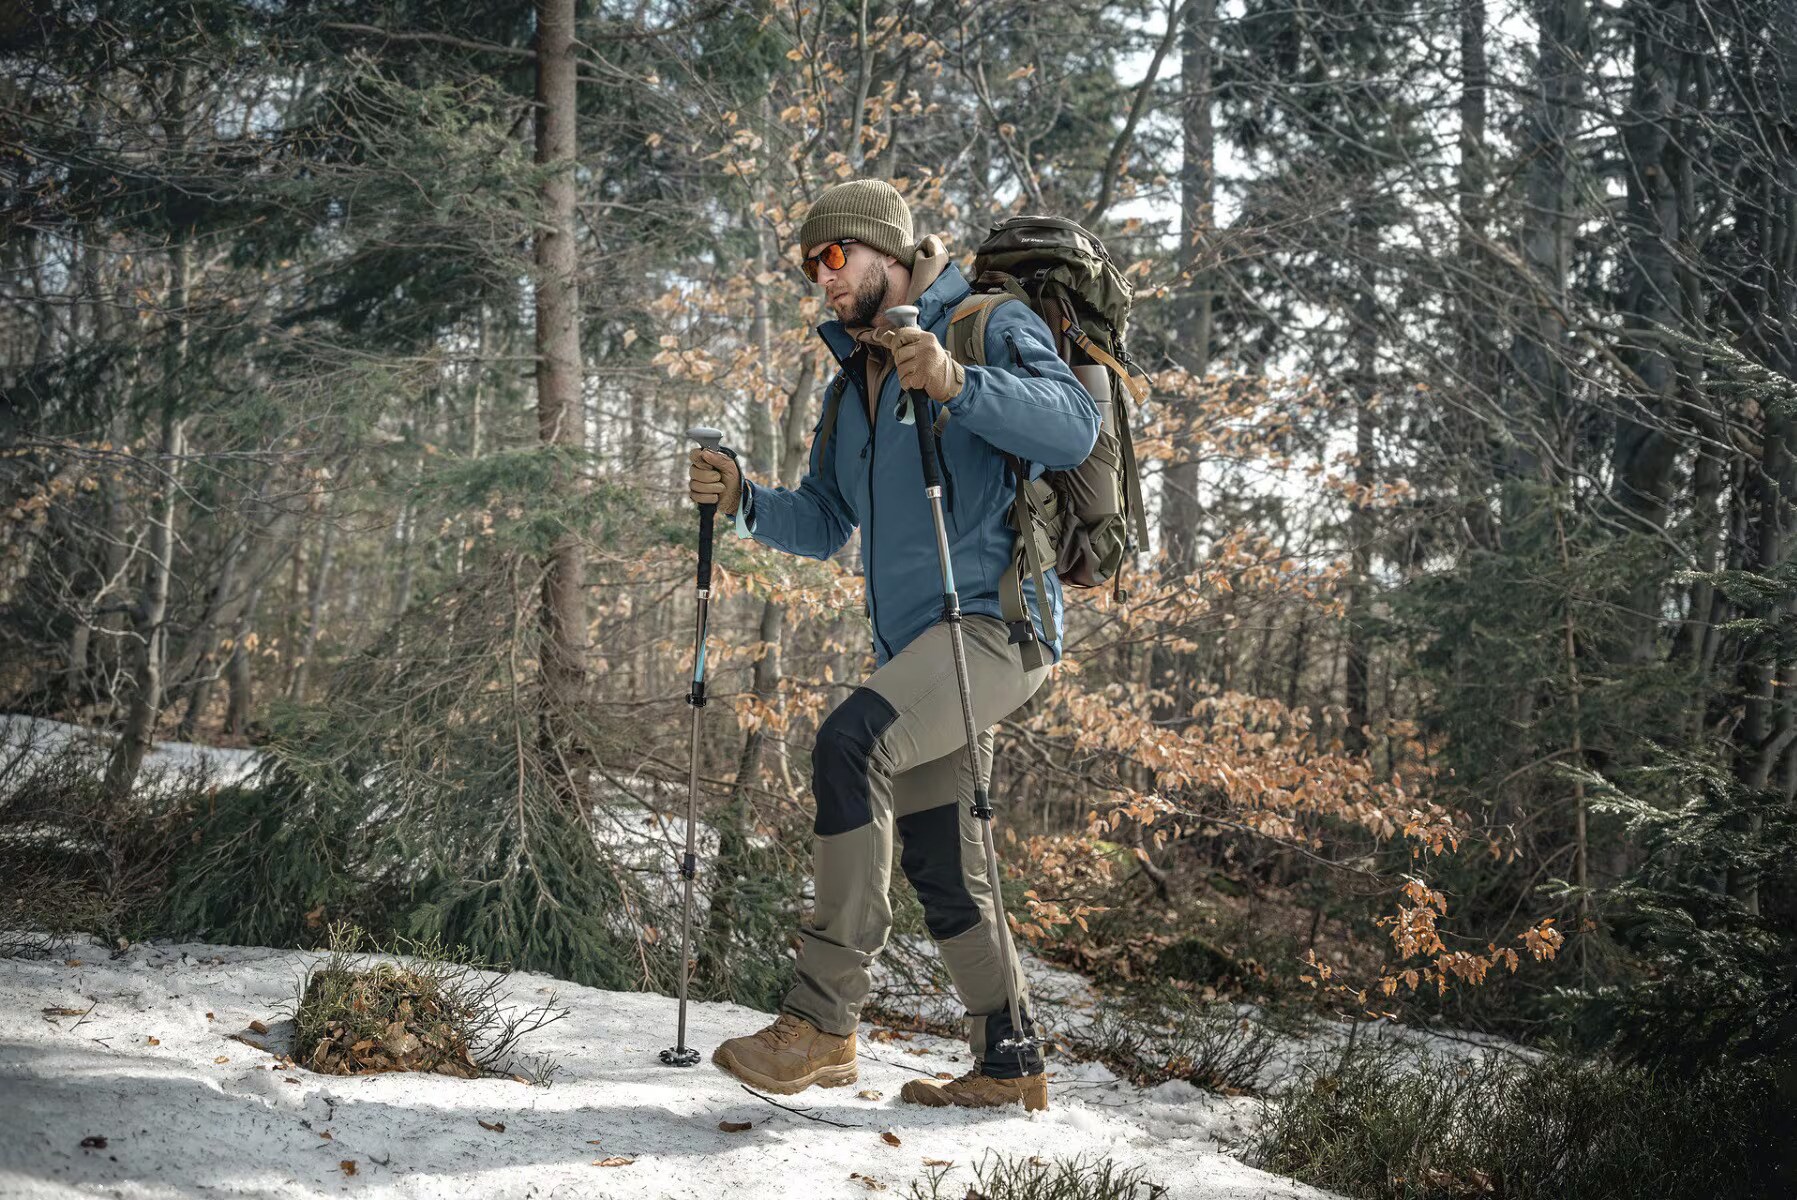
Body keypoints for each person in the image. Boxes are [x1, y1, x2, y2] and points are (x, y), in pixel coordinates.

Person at [688, 179, 1098, 1111]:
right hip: (918, 651)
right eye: (808, 268)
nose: (821, 281)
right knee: (941, 861)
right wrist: (745, 499)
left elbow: (1074, 427)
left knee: (849, 744)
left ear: (885, 250)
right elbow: (828, 520)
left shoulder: (984, 325)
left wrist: (958, 382)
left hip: (997, 627)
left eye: (833, 258)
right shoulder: (853, 385)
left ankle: (823, 1023)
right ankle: (1008, 1061)